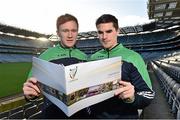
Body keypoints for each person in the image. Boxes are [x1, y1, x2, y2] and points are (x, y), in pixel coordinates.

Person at [23, 14, 89, 118]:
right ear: (58, 33)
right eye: (65, 31)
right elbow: (32, 87)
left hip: (81, 114)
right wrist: (30, 93)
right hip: (53, 115)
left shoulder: (85, 57)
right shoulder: (45, 57)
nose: (70, 35)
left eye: (74, 30)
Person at [89, 14, 155, 119]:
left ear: (117, 31)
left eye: (109, 31)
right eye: (100, 32)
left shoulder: (133, 57)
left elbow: (148, 94)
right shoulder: (93, 58)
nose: (104, 37)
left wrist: (133, 97)